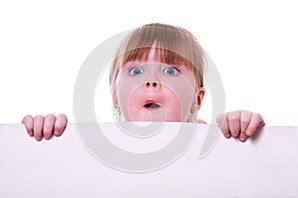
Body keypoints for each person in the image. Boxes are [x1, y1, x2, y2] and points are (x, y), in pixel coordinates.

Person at [22, 23, 265, 142]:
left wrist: (242, 128)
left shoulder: (211, 139)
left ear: (198, 99)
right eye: (136, 70)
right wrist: (46, 132)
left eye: (170, 70)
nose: (151, 81)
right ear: (115, 96)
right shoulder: (97, 139)